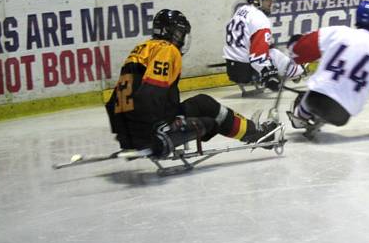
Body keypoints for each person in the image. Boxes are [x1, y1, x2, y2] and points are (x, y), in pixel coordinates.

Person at [106, 8, 278, 158]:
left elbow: (112, 101)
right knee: (210, 117)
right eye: (180, 34)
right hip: (151, 130)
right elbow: (152, 91)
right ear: (170, 32)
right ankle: (257, 134)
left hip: (130, 131)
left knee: (203, 103)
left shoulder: (142, 48)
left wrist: (125, 137)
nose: (181, 39)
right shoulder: (167, 50)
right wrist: (160, 128)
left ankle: (253, 131)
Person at [285, 0, 369, 139]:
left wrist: (294, 44)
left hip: (314, 99)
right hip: (342, 113)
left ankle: (301, 115)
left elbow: (301, 50)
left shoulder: (338, 32)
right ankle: (308, 114)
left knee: (315, 90)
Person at [222, 0, 305, 95]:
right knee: (273, 52)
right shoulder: (259, 18)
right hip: (246, 70)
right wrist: (268, 75)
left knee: (269, 47)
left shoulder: (241, 10)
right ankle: (296, 71)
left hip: (231, 68)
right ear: (256, 1)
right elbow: (258, 57)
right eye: (267, 0)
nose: (270, 3)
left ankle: (293, 69)